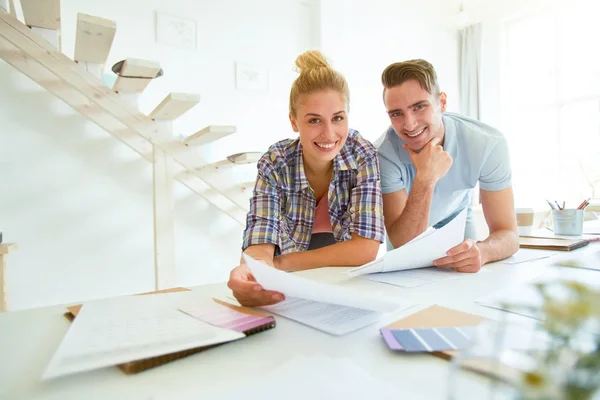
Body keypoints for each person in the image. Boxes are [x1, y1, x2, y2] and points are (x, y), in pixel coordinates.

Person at [227, 50, 385, 307]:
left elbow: (365, 250)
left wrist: (277, 265)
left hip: (343, 281)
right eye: (314, 120)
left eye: (338, 118)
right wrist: (252, 270)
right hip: (293, 284)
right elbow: (260, 239)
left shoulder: (362, 154)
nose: (329, 133)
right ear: (294, 122)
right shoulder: (276, 162)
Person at [377, 59, 518, 273]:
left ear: (442, 102)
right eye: (396, 113)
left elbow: (508, 233)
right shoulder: (382, 154)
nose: (409, 124)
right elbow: (405, 247)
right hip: (406, 249)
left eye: (419, 107)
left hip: (458, 228)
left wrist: (483, 251)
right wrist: (426, 177)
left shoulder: (488, 144)